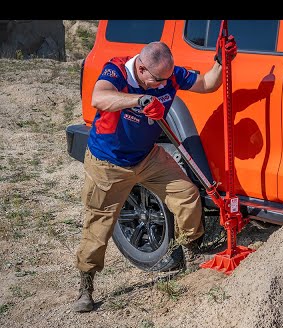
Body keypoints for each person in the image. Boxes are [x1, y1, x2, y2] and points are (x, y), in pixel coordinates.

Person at [72, 36, 238, 313]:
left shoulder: (169, 76)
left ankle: (190, 249)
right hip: (109, 163)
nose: (164, 85)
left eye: (166, 80)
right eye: (157, 81)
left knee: (186, 194)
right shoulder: (118, 70)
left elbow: (208, 84)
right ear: (142, 70)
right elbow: (99, 97)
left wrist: (221, 62)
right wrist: (140, 99)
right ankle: (85, 286)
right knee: (98, 225)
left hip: (147, 157)